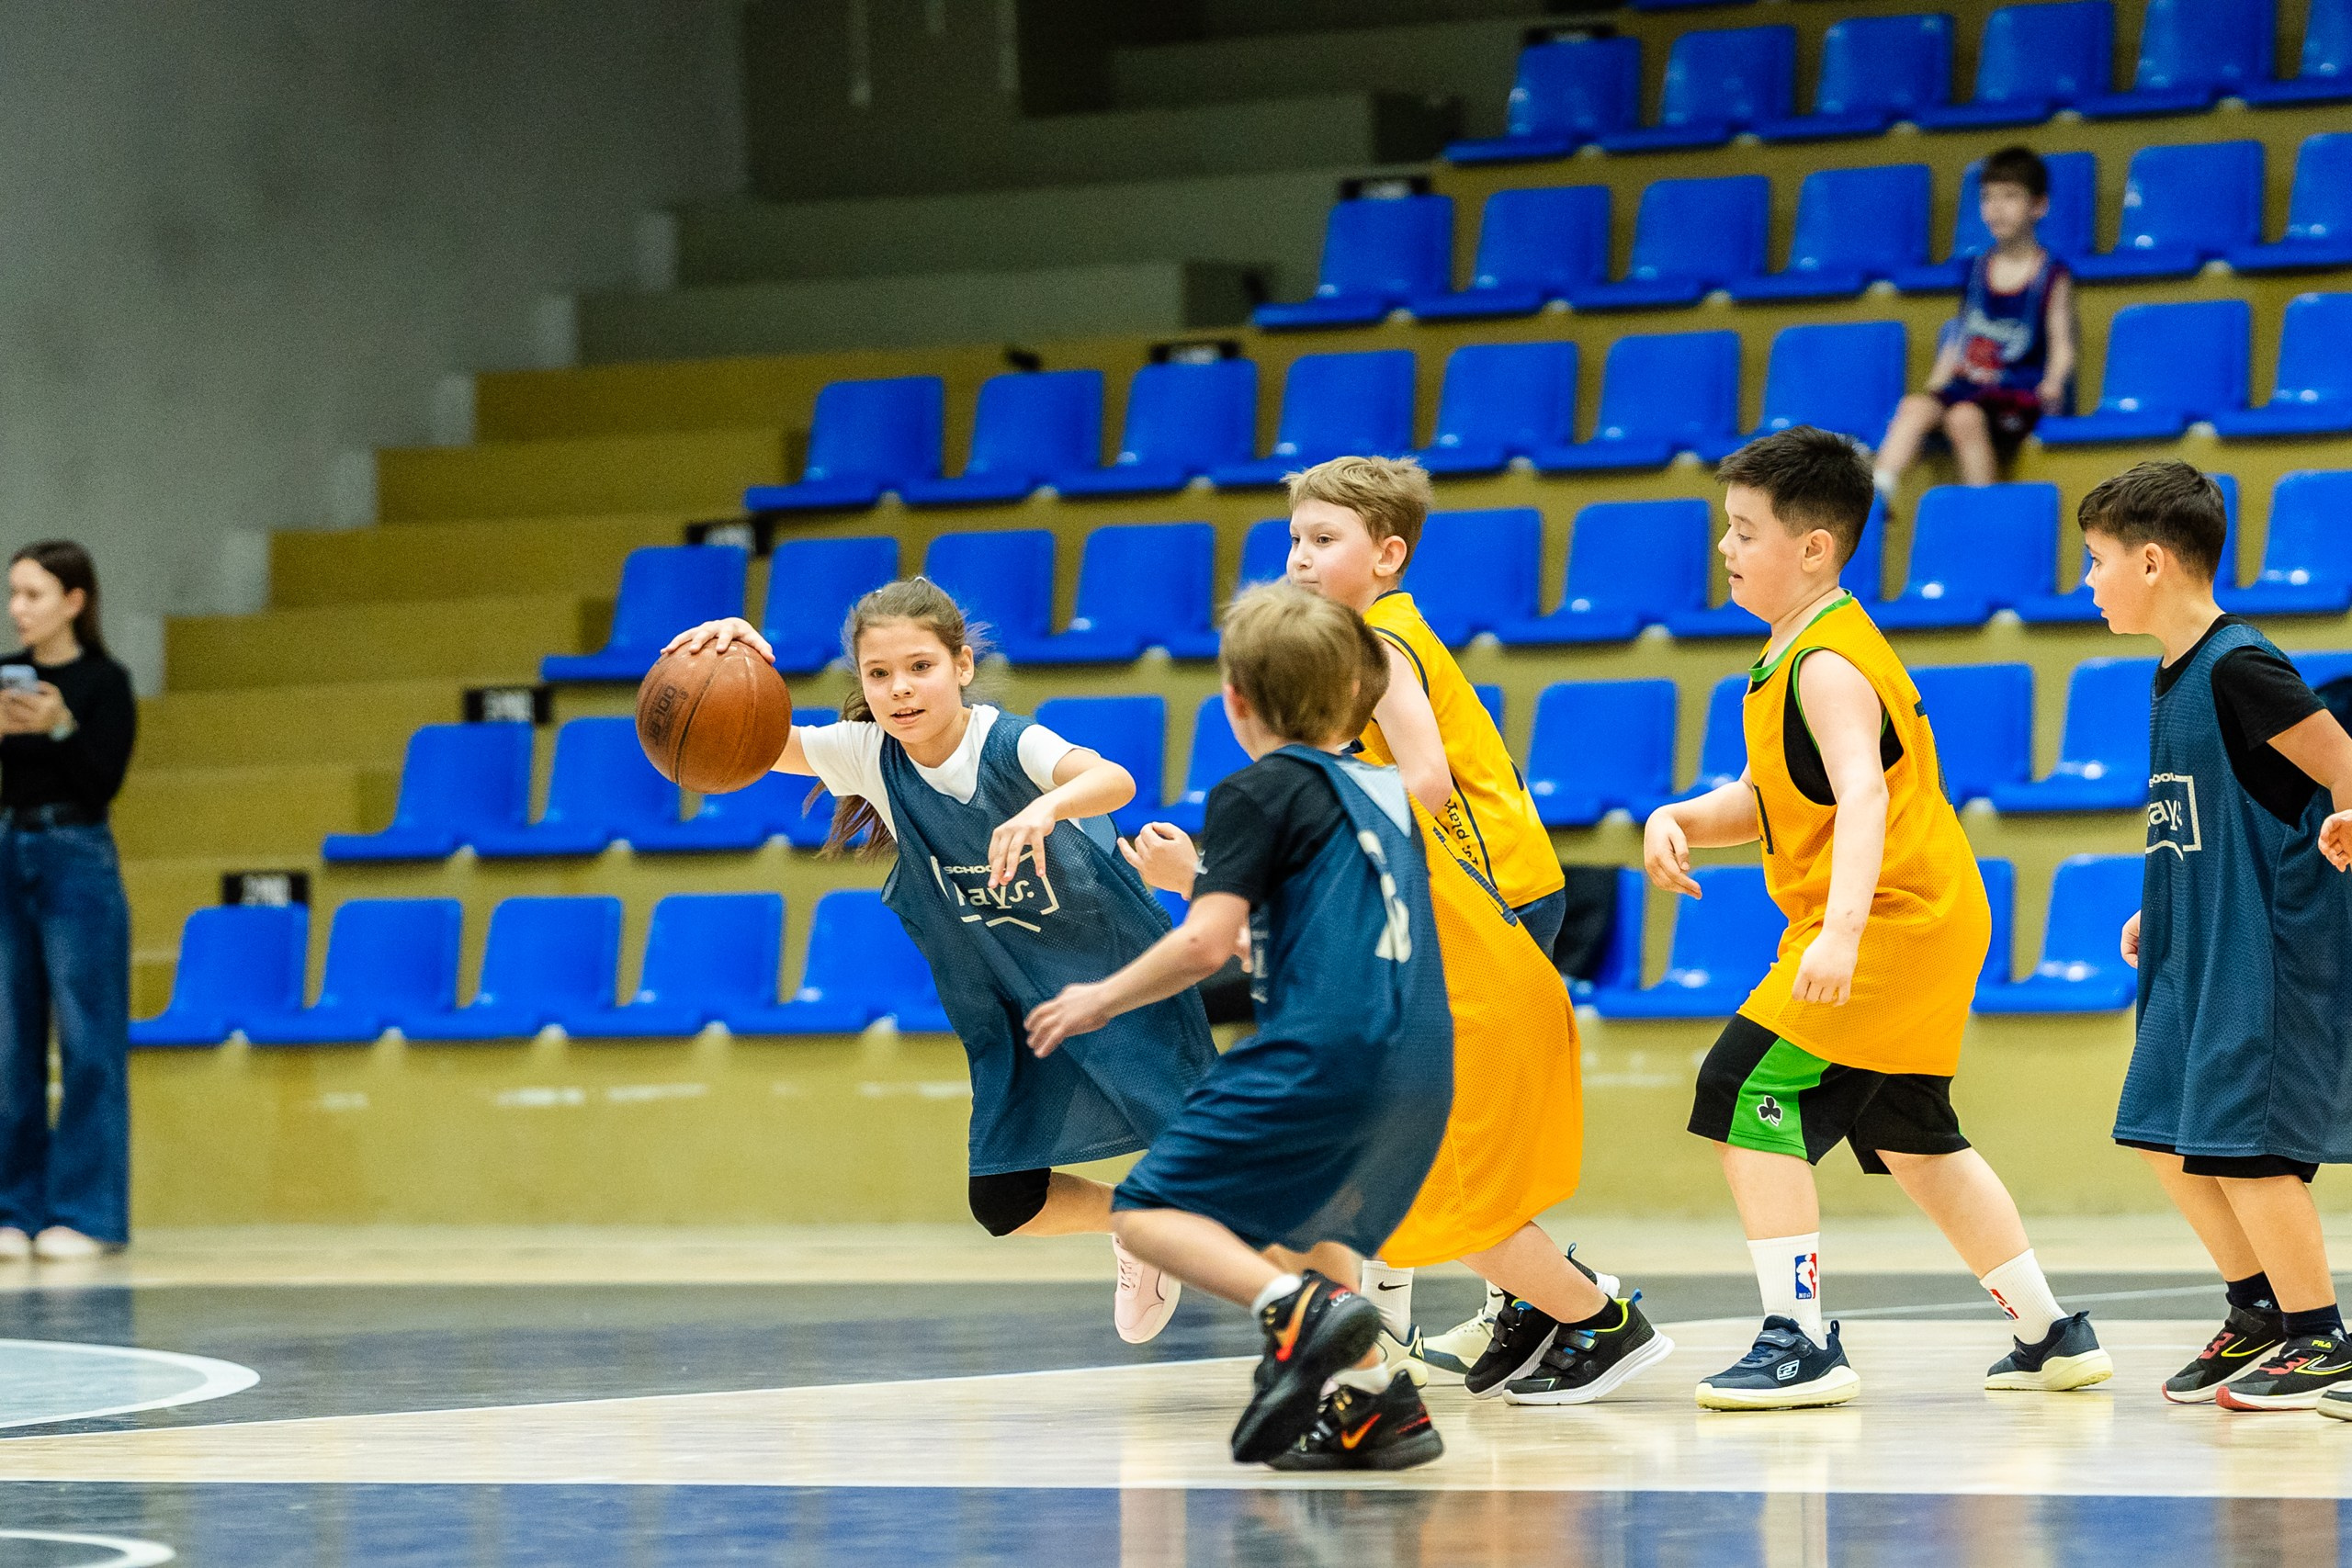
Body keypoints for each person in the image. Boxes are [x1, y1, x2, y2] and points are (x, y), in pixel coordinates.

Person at [1132, 454, 1667, 1408]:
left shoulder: (1378, 643)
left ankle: (1568, 1312)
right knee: (1421, 1135)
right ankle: (1498, 1307)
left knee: (1434, 1143)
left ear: (1387, 555)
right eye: (1292, 539)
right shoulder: (1361, 638)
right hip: (1461, 904)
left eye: (1322, 541)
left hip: (1486, 898)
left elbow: (1423, 780)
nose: (1298, 558)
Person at [1642, 428, 2109, 1409]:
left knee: (1741, 1090)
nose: (1725, 548)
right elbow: (1777, 797)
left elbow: (1860, 798)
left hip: (1890, 918)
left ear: (1813, 546)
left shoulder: (1824, 662)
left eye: (1743, 530)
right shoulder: (1793, 654)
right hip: (1927, 913)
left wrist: (1841, 934)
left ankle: (1799, 1338)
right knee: (1909, 1129)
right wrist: (1678, 815)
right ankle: (2048, 1330)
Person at [664, 581, 1217, 1344]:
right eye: (878, 674)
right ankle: (1139, 1227)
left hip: (1115, 981)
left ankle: (1351, 1310)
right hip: (1015, 1008)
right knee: (1005, 1200)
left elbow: (1112, 780)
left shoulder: (1012, 744)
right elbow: (747, 736)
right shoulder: (868, 757)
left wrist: (1044, 805)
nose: (899, 689)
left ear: (961, 665)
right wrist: (733, 646)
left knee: (1231, 1174)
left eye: (919, 666)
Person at [1026, 584, 1455, 1471]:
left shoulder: (1257, 792)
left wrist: (1098, 998)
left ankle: (1294, 1311)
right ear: (1358, 700)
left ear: (1235, 702)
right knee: (1312, 1227)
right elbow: (1312, 940)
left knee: (1149, 1211)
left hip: (1323, 1051)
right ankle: (1380, 1405)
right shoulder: (1385, 791)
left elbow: (1203, 944)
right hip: (1421, 1054)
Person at [2070, 460, 2352, 1414]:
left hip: (2258, 949)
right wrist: (2166, 898)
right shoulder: (2170, 672)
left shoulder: (2240, 664)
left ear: (2151, 561)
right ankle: (2259, 1310)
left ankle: (2320, 1336)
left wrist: (2346, 815)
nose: (2088, 579)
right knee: (2161, 1131)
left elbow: (2342, 759)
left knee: (2244, 1149)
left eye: (2096, 560)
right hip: (2193, 936)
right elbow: (2208, 814)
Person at [0, 541, 137, 1263]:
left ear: (74, 602)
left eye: (34, 595)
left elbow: (99, 783)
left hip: (74, 851)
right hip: (6, 846)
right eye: (15, 594)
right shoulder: (2, 679)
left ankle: (87, 1209)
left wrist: (57, 726)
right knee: (7, 1039)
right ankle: (12, 1205)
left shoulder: (103, 683)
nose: (19, 609)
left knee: (88, 1036)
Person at [1871, 145, 2075, 497]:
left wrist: (2055, 382)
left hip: (2015, 391)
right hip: (1968, 384)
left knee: (1963, 417)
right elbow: (1960, 338)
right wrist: (1936, 386)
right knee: (1914, 406)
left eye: (2010, 196)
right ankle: (1876, 495)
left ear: (2039, 206)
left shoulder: (2052, 275)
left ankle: (1983, 508)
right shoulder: (1977, 270)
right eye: (1988, 198)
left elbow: (2062, 342)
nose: (1996, 207)